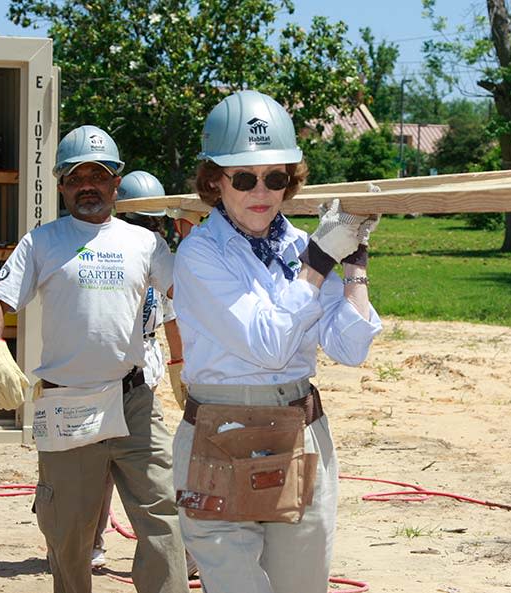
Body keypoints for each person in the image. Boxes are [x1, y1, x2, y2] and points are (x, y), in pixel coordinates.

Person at [171, 89, 382, 593]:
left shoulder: (300, 248)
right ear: (214, 181)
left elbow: (350, 348)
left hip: (297, 428)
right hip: (218, 433)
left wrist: (354, 265)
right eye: (244, 178)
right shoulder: (200, 254)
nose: (260, 190)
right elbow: (267, 344)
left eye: (275, 177)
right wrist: (319, 262)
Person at [0, 125, 189, 593]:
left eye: (98, 175)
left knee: (162, 515)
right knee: (68, 530)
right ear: (62, 185)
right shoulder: (43, 242)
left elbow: (186, 300)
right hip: (68, 404)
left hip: (134, 401)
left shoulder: (145, 243)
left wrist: (184, 364)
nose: (87, 185)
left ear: (116, 182)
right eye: (76, 178)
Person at [89, 169, 190, 571]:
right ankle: (89, 541)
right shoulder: (111, 253)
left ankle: (171, 551)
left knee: (154, 467)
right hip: (105, 369)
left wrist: (179, 364)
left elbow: (172, 315)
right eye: (143, 222)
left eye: (155, 222)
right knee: (100, 469)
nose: (151, 230)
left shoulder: (155, 253)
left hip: (144, 368)